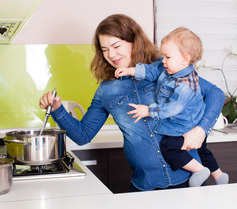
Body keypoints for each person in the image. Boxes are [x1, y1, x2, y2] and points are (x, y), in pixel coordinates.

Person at [39, 14, 225, 191]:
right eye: (104, 50)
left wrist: (201, 130)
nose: (111, 54)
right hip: (144, 186)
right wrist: (57, 110)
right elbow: (83, 135)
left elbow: (215, 94)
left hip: (188, 181)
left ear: (134, 41)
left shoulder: (165, 68)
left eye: (116, 46)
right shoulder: (106, 91)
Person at [115, 27, 229, 187]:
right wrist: (130, 70)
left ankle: (200, 171)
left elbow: (172, 108)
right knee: (202, 151)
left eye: (168, 57)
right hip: (194, 120)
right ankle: (219, 175)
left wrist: (148, 110)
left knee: (170, 147)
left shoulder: (185, 86)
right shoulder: (169, 68)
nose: (163, 60)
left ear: (185, 59)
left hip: (185, 125)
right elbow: (151, 70)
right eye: (163, 56)